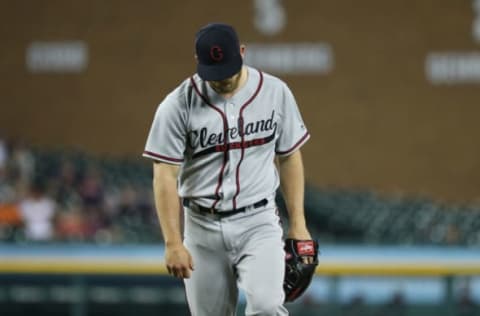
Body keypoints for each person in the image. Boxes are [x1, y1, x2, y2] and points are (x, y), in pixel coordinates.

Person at [143, 22, 313, 316]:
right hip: (201, 226)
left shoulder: (275, 92)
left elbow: (289, 157)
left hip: (258, 221)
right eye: (214, 74)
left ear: (243, 52)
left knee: (267, 306)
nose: (222, 81)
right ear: (199, 63)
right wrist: (172, 241)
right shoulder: (177, 105)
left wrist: (298, 224)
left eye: (228, 71)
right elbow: (164, 175)